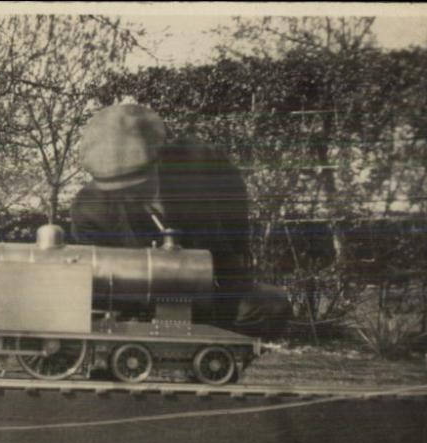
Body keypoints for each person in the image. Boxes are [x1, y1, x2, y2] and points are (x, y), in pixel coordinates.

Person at [71, 103, 287, 332]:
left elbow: (235, 239)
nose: (131, 195)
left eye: (140, 185)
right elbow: (100, 286)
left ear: (160, 159)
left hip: (210, 295)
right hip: (138, 307)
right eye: (117, 190)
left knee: (270, 305)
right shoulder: (88, 210)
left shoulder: (204, 165)